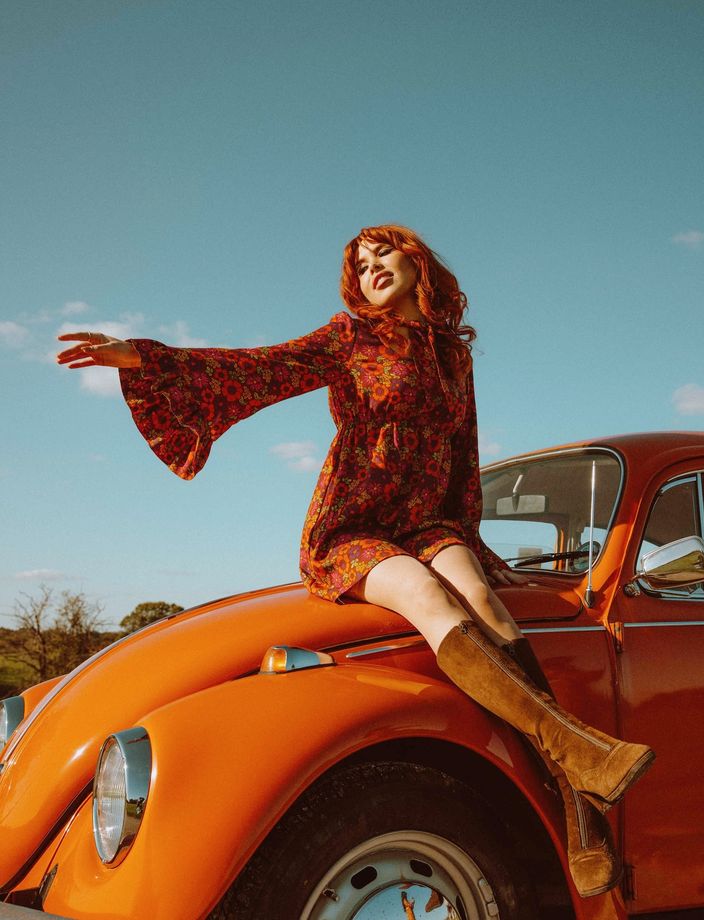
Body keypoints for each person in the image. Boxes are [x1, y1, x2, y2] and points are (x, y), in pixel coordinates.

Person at [57, 224, 653, 898]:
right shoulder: (349, 337)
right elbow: (262, 367)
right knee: (426, 597)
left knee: (484, 599)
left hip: (429, 519)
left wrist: (473, 542)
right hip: (356, 525)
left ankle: (577, 791)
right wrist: (143, 358)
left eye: (383, 255)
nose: (371, 270)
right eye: (360, 264)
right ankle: (578, 772)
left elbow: (464, 453)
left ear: (415, 261)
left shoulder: (454, 355)